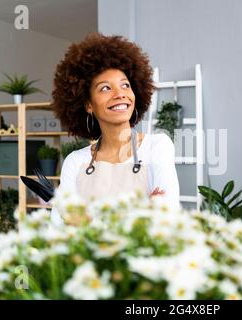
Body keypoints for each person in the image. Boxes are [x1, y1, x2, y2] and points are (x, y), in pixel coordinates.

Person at [51, 32, 180, 221]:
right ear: (88, 104)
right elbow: (59, 228)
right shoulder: (75, 162)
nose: (120, 94)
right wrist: (143, 212)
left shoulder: (157, 147)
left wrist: (86, 221)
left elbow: (165, 219)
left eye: (126, 85)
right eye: (105, 88)